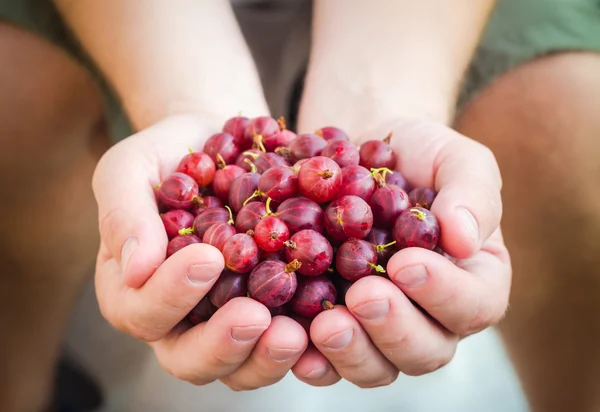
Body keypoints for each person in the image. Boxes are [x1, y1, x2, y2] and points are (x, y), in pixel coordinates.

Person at [0, 0, 598, 411]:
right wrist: (181, 97)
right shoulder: (287, 224)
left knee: (569, 126)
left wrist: (389, 94)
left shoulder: (297, 226)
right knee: (16, 104)